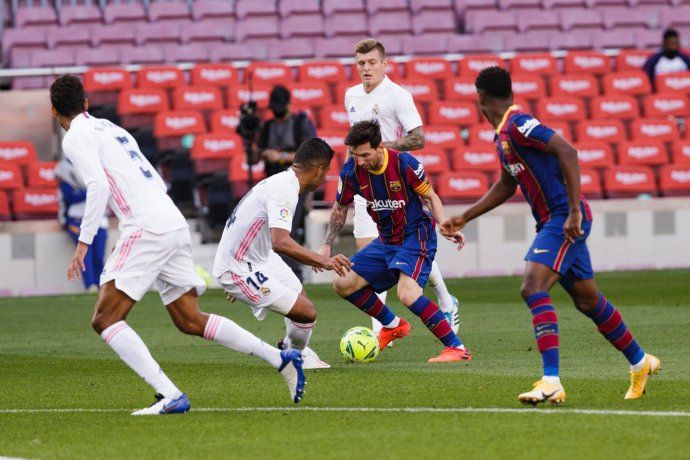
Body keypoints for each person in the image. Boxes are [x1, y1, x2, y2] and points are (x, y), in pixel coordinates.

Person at [51, 74, 307, 415]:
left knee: (105, 319)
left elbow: (98, 185)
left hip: (146, 227)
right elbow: (155, 177)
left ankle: (168, 394)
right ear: (86, 103)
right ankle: (279, 357)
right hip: (171, 221)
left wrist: (84, 242)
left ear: (55, 111)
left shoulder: (76, 137)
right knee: (188, 319)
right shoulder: (111, 128)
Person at [441, 67, 660, 405]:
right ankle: (640, 361)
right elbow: (506, 184)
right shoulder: (502, 136)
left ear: (480, 96)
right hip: (553, 220)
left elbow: (568, 152)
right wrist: (465, 217)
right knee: (587, 300)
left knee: (532, 286)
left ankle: (551, 381)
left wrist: (572, 210)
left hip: (564, 217)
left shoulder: (519, 124)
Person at [323, 37, 459, 338]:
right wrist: (350, 171)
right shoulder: (351, 96)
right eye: (361, 63)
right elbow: (352, 140)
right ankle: (390, 327)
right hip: (364, 183)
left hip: (396, 183)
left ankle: (445, 301)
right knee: (372, 260)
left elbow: (419, 138)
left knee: (400, 254)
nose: (366, 68)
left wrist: (385, 147)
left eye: (372, 62)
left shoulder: (397, 95)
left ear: (385, 64)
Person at [323, 120, 471, 363]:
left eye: (365, 155)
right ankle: (392, 326)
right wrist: (327, 243)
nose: (360, 161)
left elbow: (430, 197)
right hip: (386, 241)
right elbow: (340, 208)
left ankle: (456, 348)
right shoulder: (351, 171)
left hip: (416, 236)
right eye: (355, 155)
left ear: (380, 146)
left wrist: (444, 223)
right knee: (343, 282)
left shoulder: (404, 164)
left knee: (407, 293)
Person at [214, 138, 351, 370]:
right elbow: (281, 242)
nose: (323, 178)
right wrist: (323, 260)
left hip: (259, 258)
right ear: (319, 170)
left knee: (302, 301)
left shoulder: (282, 182)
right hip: (240, 266)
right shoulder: (284, 189)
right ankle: (293, 356)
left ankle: (291, 348)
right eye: (325, 172)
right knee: (307, 313)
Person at [258, 85, 318, 282]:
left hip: (296, 185)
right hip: (272, 185)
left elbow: (311, 154)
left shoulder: (300, 123)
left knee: (286, 229)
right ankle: (277, 272)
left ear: (288, 105)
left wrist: (281, 156)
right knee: (270, 229)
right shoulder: (267, 126)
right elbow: (254, 157)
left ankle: (294, 272)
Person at [55, 157, 108, 291]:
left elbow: (104, 190)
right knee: (85, 255)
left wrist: (88, 192)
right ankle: (91, 286)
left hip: (99, 218)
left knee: (99, 255)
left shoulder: (94, 162)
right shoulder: (64, 167)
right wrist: (91, 192)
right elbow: (69, 196)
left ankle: (101, 285)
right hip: (77, 218)